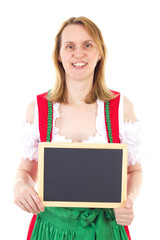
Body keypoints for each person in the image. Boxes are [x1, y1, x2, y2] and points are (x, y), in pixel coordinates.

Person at [13, 16, 142, 240]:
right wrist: (19, 187)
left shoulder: (122, 108)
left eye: (87, 45)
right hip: (51, 229)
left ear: (99, 53)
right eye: (70, 46)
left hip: (106, 229)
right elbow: (25, 171)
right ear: (59, 55)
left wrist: (128, 201)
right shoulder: (38, 109)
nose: (78, 53)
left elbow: (134, 171)